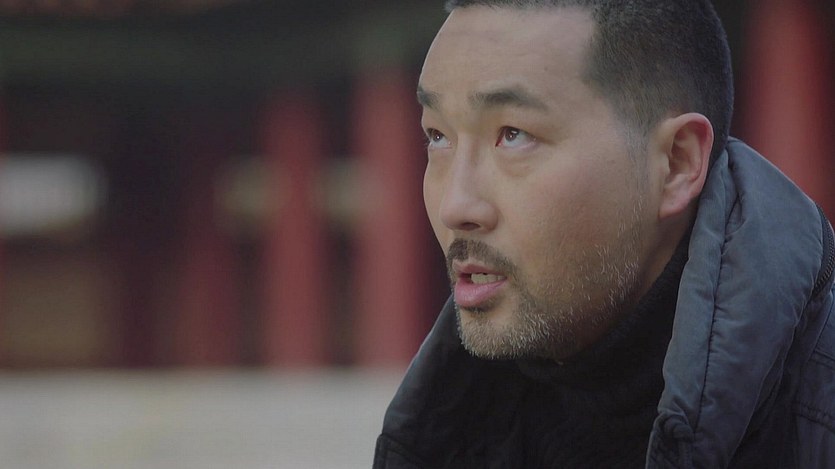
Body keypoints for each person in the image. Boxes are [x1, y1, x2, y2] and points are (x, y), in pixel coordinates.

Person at [373, 0, 835, 467]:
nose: (455, 206)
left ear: (676, 163)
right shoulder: (442, 430)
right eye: (438, 137)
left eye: (513, 134)